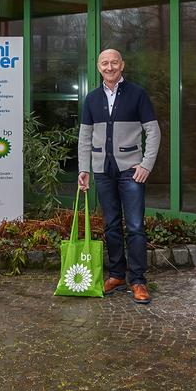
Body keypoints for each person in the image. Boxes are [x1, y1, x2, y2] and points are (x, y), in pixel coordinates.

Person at [77, 49, 161, 304]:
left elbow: (153, 132)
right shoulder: (91, 99)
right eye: (105, 63)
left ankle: (138, 280)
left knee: (135, 226)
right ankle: (116, 274)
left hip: (131, 171)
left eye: (114, 62)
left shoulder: (137, 94)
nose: (110, 67)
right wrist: (84, 168)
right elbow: (85, 136)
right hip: (103, 171)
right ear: (99, 67)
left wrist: (146, 165)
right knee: (111, 225)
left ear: (122, 65)